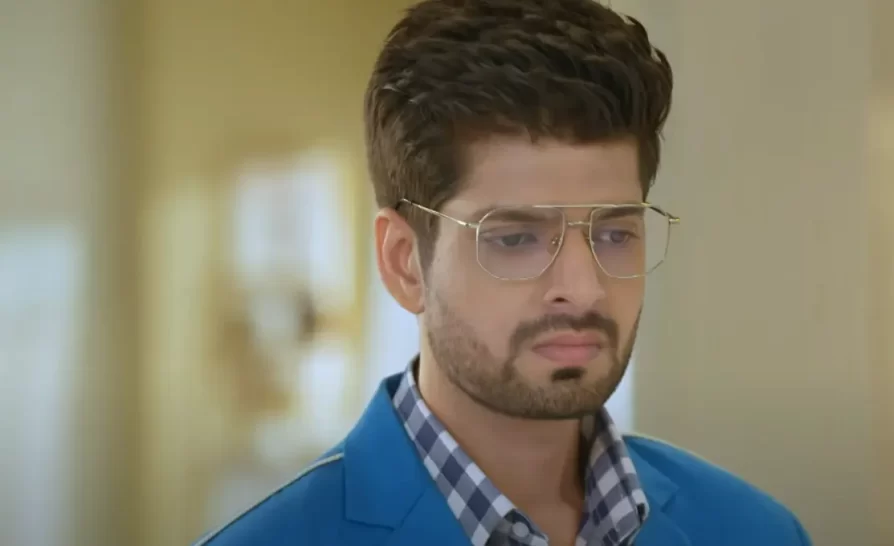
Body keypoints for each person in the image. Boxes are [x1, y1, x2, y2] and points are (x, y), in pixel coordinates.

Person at [196, 0, 812, 544]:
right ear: (404, 262)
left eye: (614, 233)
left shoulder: (755, 532)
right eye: (515, 238)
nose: (584, 289)